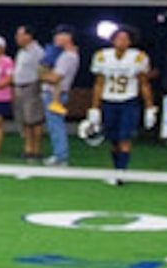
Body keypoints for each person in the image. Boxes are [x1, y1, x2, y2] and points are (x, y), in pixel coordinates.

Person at [89, 27, 155, 184]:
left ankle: (121, 172)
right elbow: (99, 84)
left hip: (128, 100)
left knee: (125, 137)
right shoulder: (102, 56)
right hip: (109, 100)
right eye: (119, 38)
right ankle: (116, 168)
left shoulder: (138, 57)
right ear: (112, 40)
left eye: (125, 39)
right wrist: (94, 107)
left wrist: (150, 107)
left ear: (131, 42)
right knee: (113, 139)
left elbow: (144, 83)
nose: (122, 42)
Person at [41, 26, 81, 167]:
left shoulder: (68, 56)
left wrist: (41, 74)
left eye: (59, 35)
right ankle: (59, 154)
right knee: (53, 125)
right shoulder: (63, 54)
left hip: (56, 94)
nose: (55, 38)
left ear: (68, 36)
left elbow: (55, 77)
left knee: (56, 125)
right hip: (53, 92)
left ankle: (61, 156)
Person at [9, 25, 46, 162]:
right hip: (20, 87)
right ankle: (28, 148)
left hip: (32, 86)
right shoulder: (22, 51)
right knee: (24, 120)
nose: (17, 37)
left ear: (28, 36)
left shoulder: (37, 51)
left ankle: (36, 149)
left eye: (20, 34)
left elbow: (43, 70)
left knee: (34, 119)